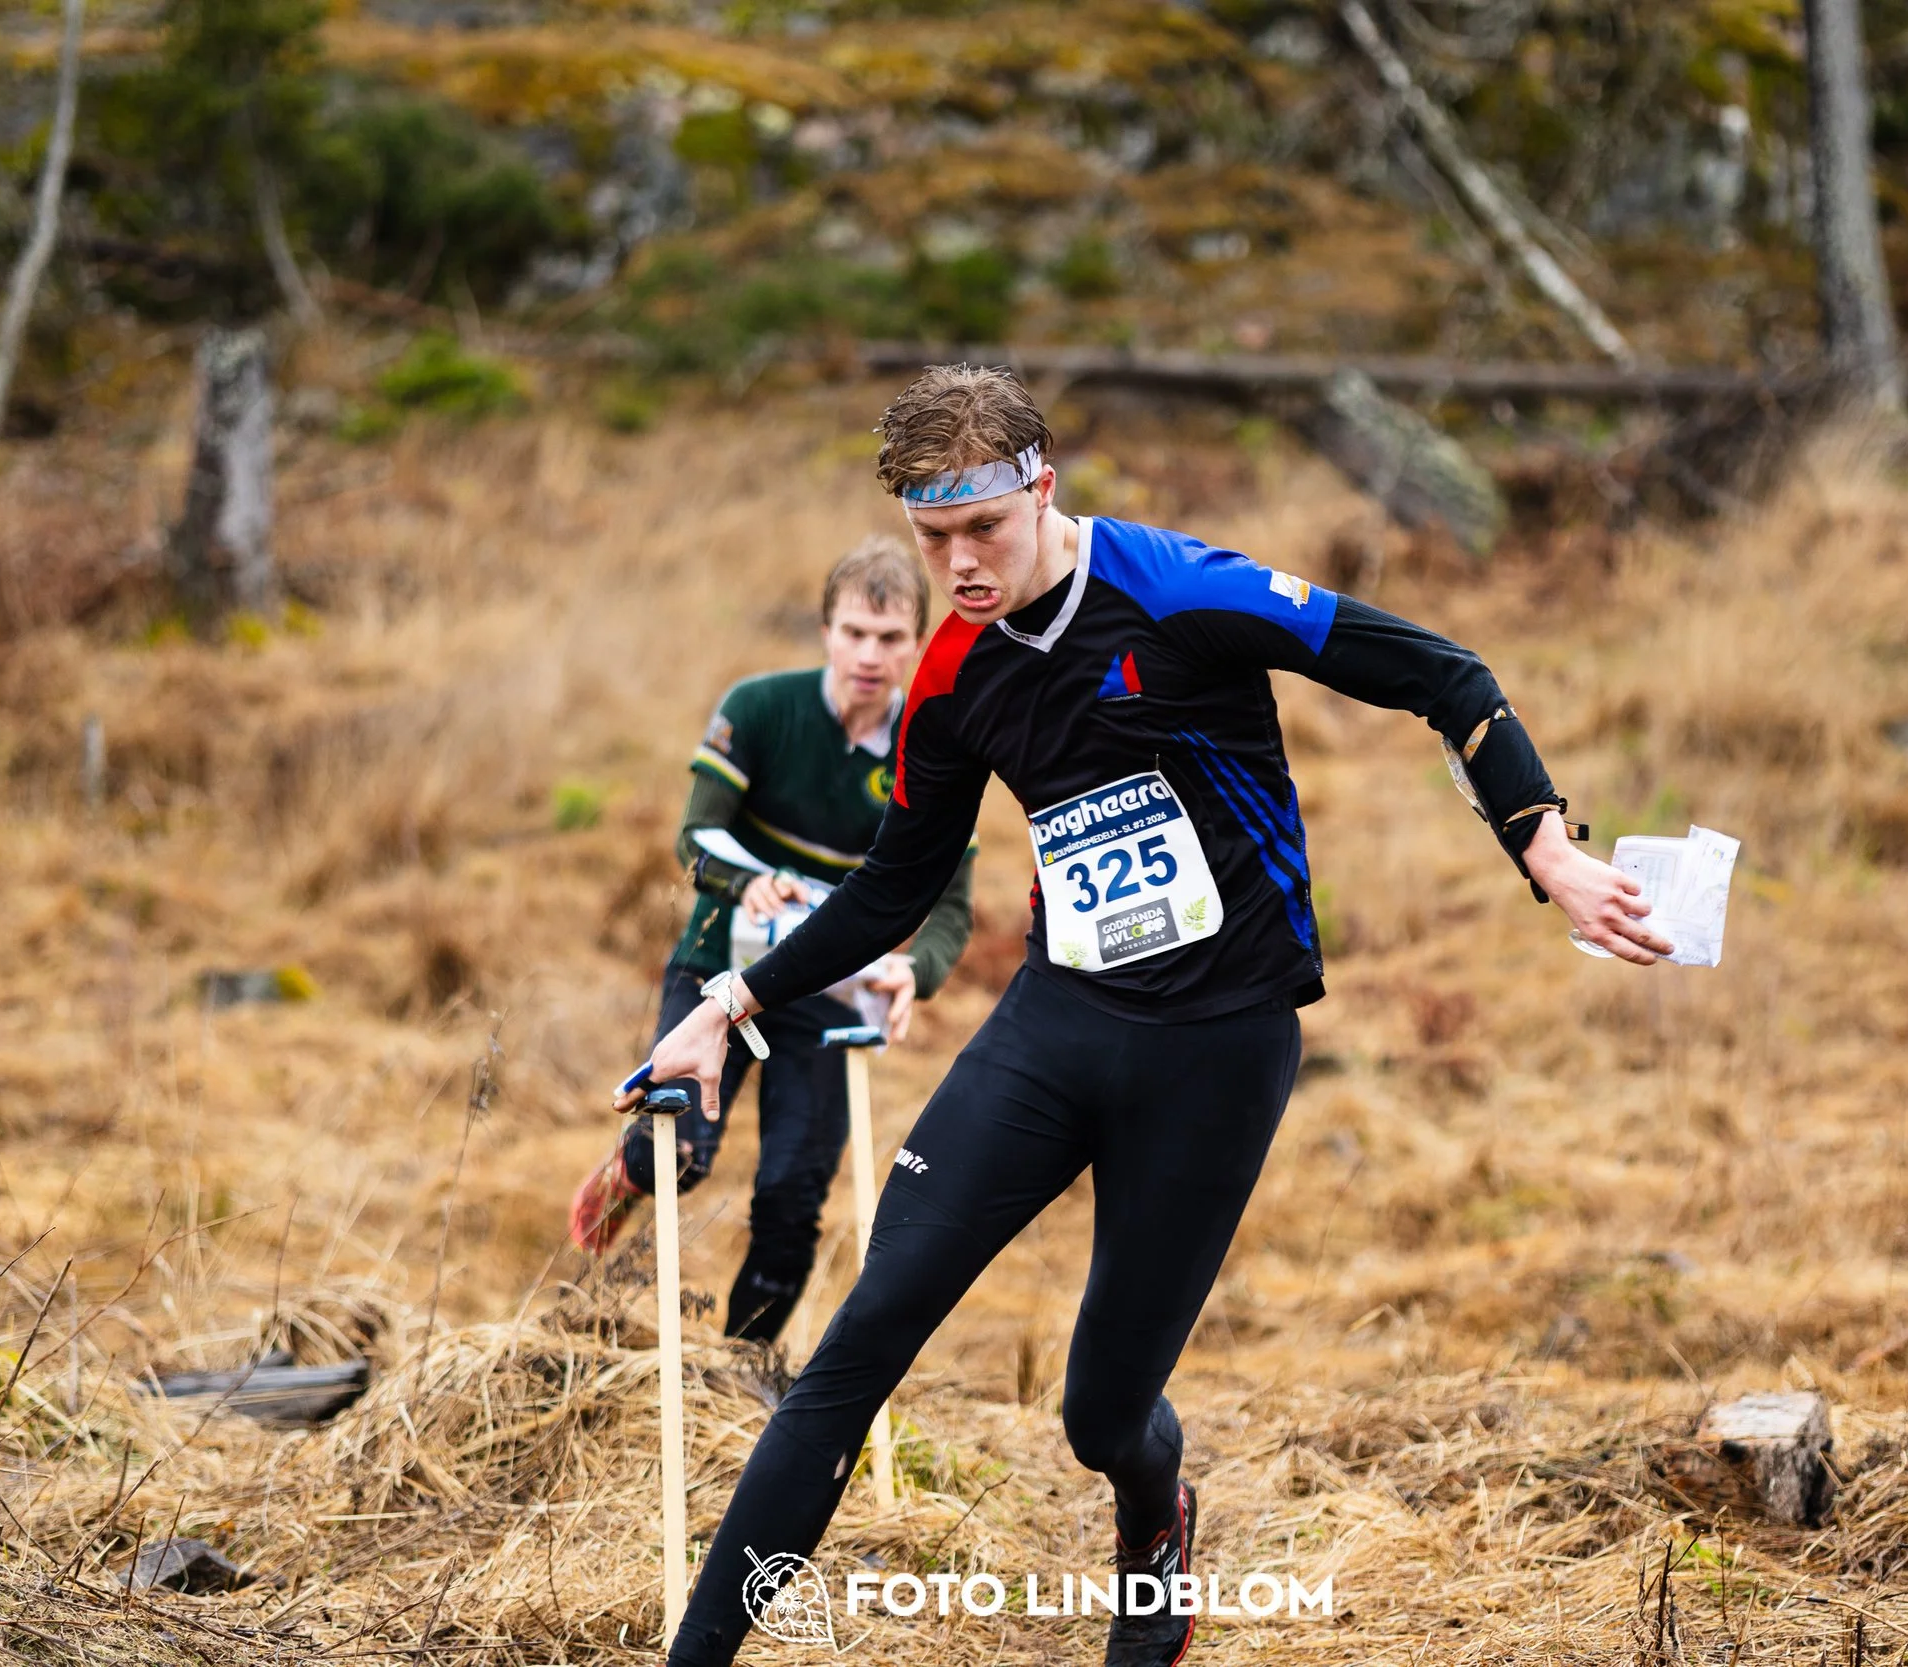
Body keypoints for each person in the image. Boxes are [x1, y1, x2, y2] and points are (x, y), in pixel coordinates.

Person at [627, 366, 1669, 1667]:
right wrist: (727, 1003)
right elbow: (896, 881)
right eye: (931, 538)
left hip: (1218, 1044)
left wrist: (1545, 845)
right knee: (859, 1343)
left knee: (1102, 1413)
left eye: (982, 528)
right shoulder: (952, 677)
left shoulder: (1180, 591)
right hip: (1056, 1023)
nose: (959, 565)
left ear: (1042, 490)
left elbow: (1440, 673)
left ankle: (1154, 1509)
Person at [570, 535, 976, 1347]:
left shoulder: (931, 741)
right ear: (826, 630)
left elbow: (952, 907)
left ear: (916, 643)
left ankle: (742, 1366)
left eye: (890, 637)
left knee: (792, 1199)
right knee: (680, 1152)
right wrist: (746, 879)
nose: (870, 656)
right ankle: (626, 1173)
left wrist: (914, 969)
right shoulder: (759, 707)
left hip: (828, 989)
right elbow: (694, 836)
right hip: (717, 965)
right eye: (854, 632)